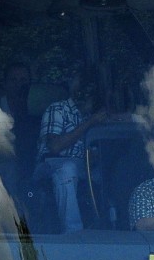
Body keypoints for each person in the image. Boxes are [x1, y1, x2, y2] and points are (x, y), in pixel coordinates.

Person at [37, 68, 106, 232]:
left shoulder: (93, 115)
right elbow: (54, 146)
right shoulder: (58, 109)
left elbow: (95, 155)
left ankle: (114, 227)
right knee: (68, 169)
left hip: (84, 167)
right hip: (51, 165)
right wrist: (89, 124)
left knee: (109, 173)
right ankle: (73, 232)